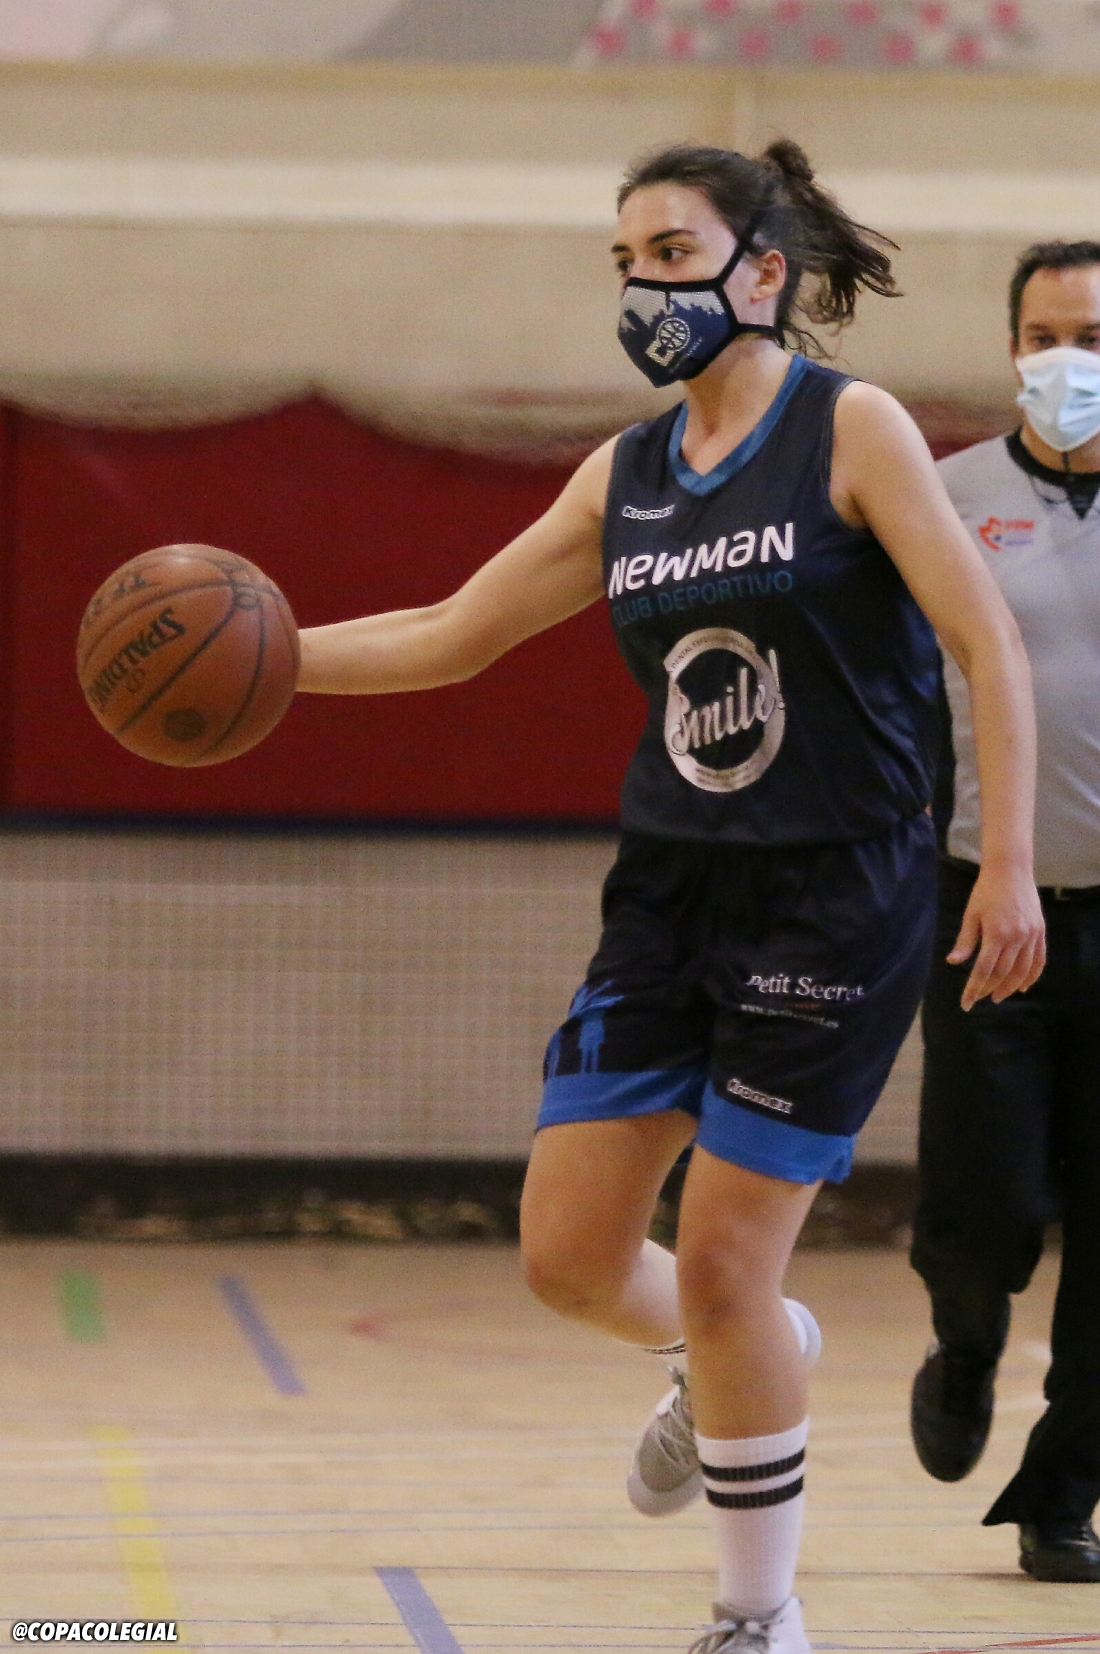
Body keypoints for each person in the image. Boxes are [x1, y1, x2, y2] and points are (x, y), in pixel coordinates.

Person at [296, 141, 1045, 1654]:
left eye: (670, 252)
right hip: (669, 891)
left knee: (719, 1259)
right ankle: (746, 1348)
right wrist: (267, 664)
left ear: (762, 270)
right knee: (568, 1257)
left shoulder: (852, 427)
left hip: (837, 890)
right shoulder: (625, 472)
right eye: (625, 259)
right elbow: (450, 632)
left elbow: (986, 644)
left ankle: (758, 1616)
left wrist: (1009, 859)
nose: (642, 284)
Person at [910, 240, 1100, 1585]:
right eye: (1045, 335)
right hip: (990, 903)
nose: (1068, 360)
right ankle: (966, 1334)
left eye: (1094, 335)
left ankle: (1064, 1493)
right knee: (984, 1202)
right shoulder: (945, 495)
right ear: (1013, 346)